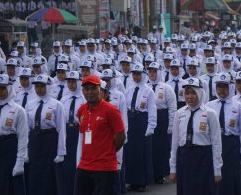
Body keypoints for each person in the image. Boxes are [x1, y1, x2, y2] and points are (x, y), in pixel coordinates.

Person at [169, 77, 222, 195]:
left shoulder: (210, 113)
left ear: (200, 93)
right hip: (185, 157)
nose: (190, 96)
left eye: (193, 93)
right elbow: (175, 142)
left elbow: (216, 143)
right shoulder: (180, 113)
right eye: (187, 93)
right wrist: (173, 168)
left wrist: (217, 170)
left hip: (203, 158)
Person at [74, 75, 126, 195]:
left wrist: (108, 151)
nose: (90, 92)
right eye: (87, 89)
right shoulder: (81, 110)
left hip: (105, 167)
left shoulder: (111, 110)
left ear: (100, 90)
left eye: (93, 88)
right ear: (82, 91)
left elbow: (121, 136)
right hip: (85, 165)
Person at [205, 72, 241, 195]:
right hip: (214, 144)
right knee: (215, 176)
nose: (221, 90)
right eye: (219, 86)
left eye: (225, 86)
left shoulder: (240, 107)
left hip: (231, 145)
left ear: (231, 87)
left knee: (231, 178)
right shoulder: (209, 106)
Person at [26, 74, 66, 195]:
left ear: (48, 87)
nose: (39, 89)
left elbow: (61, 129)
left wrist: (61, 152)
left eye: (42, 86)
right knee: (34, 172)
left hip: (50, 141)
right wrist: (25, 150)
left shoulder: (57, 104)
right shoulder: (30, 104)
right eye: (37, 86)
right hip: (34, 141)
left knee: (48, 173)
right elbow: (26, 129)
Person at [124, 63, 157, 192]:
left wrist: (151, 126)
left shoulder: (148, 90)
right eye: (134, 74)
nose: (136, 76)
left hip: (142, 121)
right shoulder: (129, 89)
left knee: (142, 152)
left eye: (138, 74)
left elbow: (152, 110)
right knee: (131, 152)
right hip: (131, 120)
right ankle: (132, 180)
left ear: (143, 75)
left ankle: (142, 181)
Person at [0, 74, 28, 195]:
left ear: (9, 89)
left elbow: (23, 138)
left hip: (9, 149)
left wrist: (20, 162)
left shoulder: (18, 110)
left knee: (10, 186)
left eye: (3, 88)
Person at [147, 62, 177, 184]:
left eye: (154, 71)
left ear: (159, 72)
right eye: (150, 71)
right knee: (150, 147)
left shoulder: (166, 88)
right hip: (149, 118)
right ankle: (150, 172)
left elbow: (172, 107)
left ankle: (160, 174)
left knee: (161, 148)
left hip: (162, 118)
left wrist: (171, 124)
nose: (152, 74)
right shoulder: (146, 86)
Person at [60, 71, 86, 195]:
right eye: (69, 81)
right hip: (66, 131)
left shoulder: (84, 99)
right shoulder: (63, 99)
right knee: (67, 162)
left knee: (79, 160)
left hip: (79, 131)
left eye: (73, 81)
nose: (71, 84)